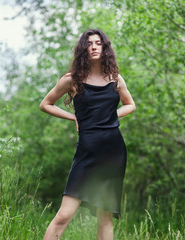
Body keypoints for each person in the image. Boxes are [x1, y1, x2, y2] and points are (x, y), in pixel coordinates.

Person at [39, 29, 135, 240]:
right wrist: (74, 118)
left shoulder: (115, 78)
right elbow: (45, 104)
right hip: (87, 153)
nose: (94, 47)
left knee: (105, 216)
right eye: (89, 43)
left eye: (98, 43)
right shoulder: (72, 80)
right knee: (64, 215)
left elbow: (130, 105)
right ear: (83, 49)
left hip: (113, 152)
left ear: (104, 47)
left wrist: (111, 117)